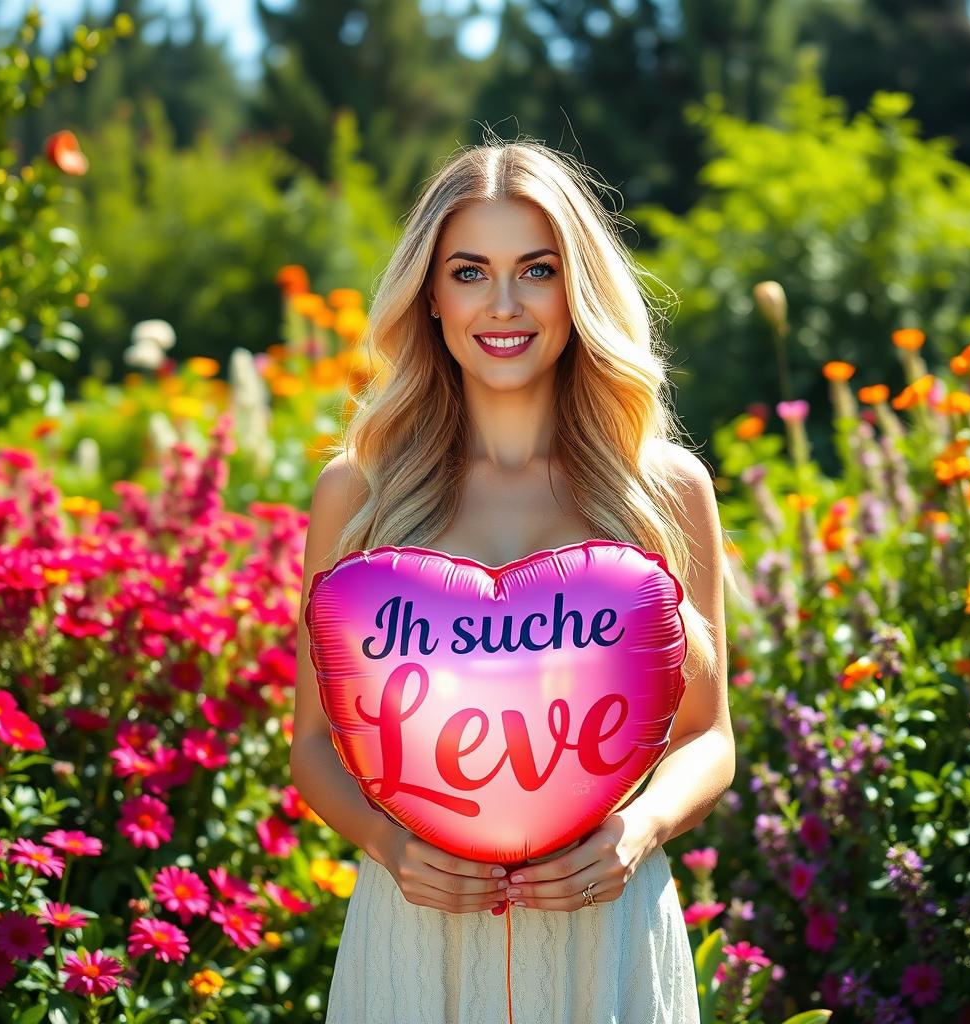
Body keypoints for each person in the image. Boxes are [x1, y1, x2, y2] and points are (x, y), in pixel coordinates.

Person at [291, 136, 736, 1024]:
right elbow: (311, 750)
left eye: (537, 269)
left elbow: (711, 737)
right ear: (429, 298)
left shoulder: (666, 488)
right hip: (417, 932)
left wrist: (636, 832)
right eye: (468, 271)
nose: (503, 304)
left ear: (577, 290)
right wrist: (389, 845)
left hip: (604, 925)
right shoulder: (359, 493)